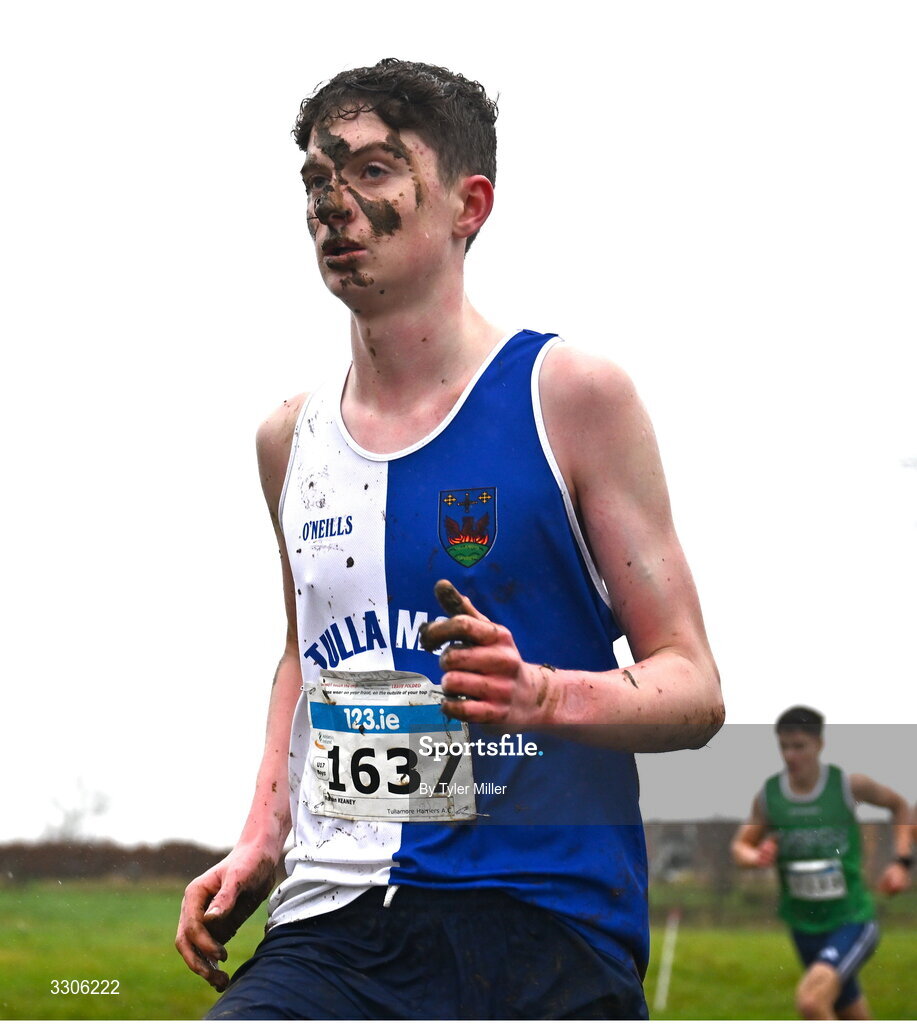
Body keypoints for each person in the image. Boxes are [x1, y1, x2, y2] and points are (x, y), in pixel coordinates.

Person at [175, 58, 724, 1020]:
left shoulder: (571, 397)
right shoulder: (286, 442)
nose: (335, 204)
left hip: (541, 924)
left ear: (470, 204)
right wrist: (263, 833)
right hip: (331, 926)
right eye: (316, 178)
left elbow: (693, 688)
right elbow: (305, 655)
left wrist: (544, 693)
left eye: (376, 170)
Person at [731, 706, 913, 1021]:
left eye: (799, 746)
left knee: (811, 1002)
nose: (790, 755)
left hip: (851, 919)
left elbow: (899, 806)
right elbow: (740, 845)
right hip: (803, 925)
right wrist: (754, 857)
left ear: (819, 744)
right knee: (846, 1010)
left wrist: (901, 861)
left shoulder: (848, 786)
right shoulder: (769, 797)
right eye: (784, 746)